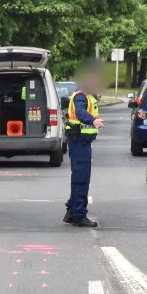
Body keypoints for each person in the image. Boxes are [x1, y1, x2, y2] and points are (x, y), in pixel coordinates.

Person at [64, 63, 105, 227]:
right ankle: (79, 216)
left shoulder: (87, 94)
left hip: (82, 142)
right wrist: (93, 120)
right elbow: (80, 112)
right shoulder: (81, 95)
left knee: (80, 177)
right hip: (79, 141)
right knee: (81, 179)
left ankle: (72, 210)